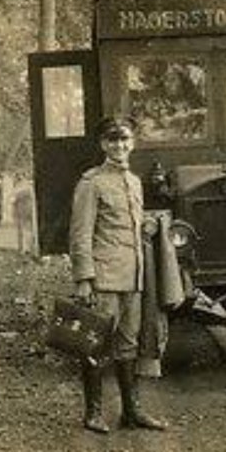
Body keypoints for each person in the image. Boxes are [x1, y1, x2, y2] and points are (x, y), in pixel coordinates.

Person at [69, 115, 167, 433]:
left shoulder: (135, 182)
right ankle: (93, 413)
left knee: (128, 344)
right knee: (96, 343)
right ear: (103, 145)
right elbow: (80, 233)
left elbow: (133, 228)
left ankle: (131, 412)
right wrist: (84, 278)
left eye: (124, 139)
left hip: (133, 276)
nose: (119, 146)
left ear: (133, 143)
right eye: (113, 140)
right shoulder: (91, 182)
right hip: (104, 278)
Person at [11, 175, 35, 255]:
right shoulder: (31, 188)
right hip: (31, 211)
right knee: (31, 230)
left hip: (21, 211)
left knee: (21, 230)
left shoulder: (19, 190)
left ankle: (22, 248)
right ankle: (30, 248)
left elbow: (13, 200)